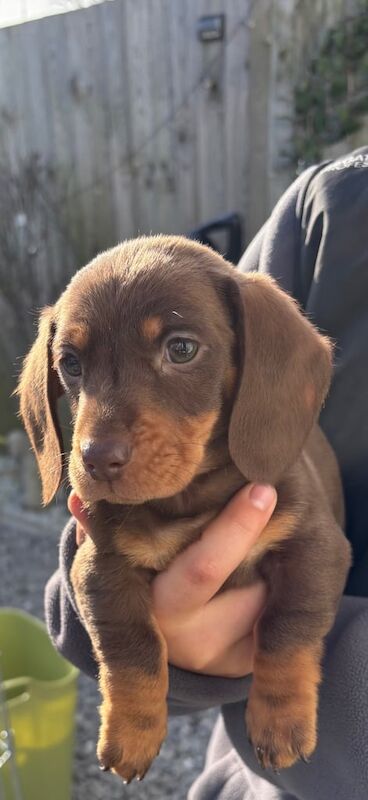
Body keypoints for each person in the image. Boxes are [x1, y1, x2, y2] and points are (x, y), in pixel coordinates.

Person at [46, 146, 368, 799]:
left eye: (179, 348)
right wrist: (146, 682)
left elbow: (320, 553)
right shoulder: (328, 218)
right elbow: (90, 577)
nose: (100, 442)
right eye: (76, 369)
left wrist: (282, 674)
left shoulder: (283, 481)